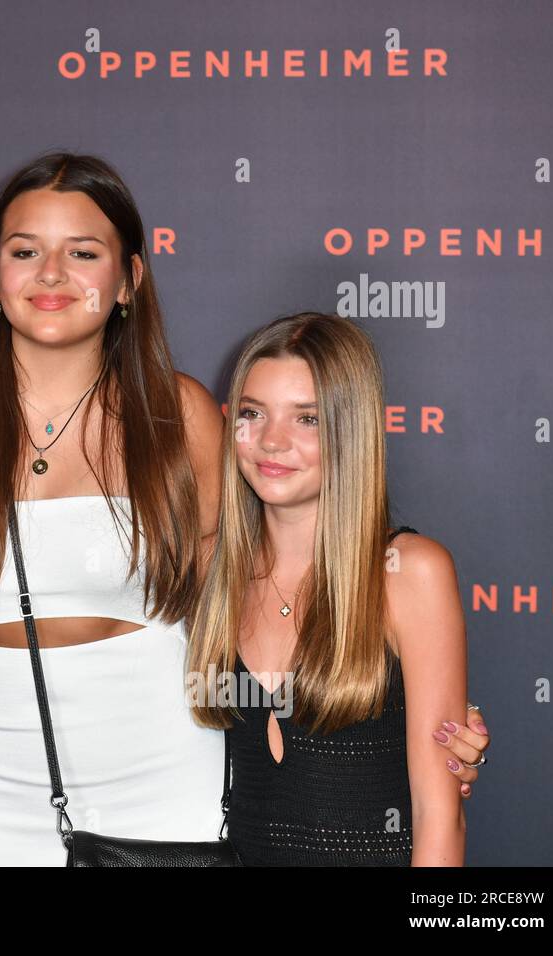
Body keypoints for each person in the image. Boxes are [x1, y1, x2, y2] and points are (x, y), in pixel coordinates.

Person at [0, 152, 489, 865]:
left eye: (83, 252)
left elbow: (236, 589)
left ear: (128, 281)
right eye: (26, 251)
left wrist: (427, 726)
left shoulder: (180, 415)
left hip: (168, 780)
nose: (51, 275)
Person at [187, 313, 471, 865]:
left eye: (308, 419)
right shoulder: (210, 570)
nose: (271, 440)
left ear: (352, 429)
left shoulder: (408, 573)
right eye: (252, 414)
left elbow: (440, 814)